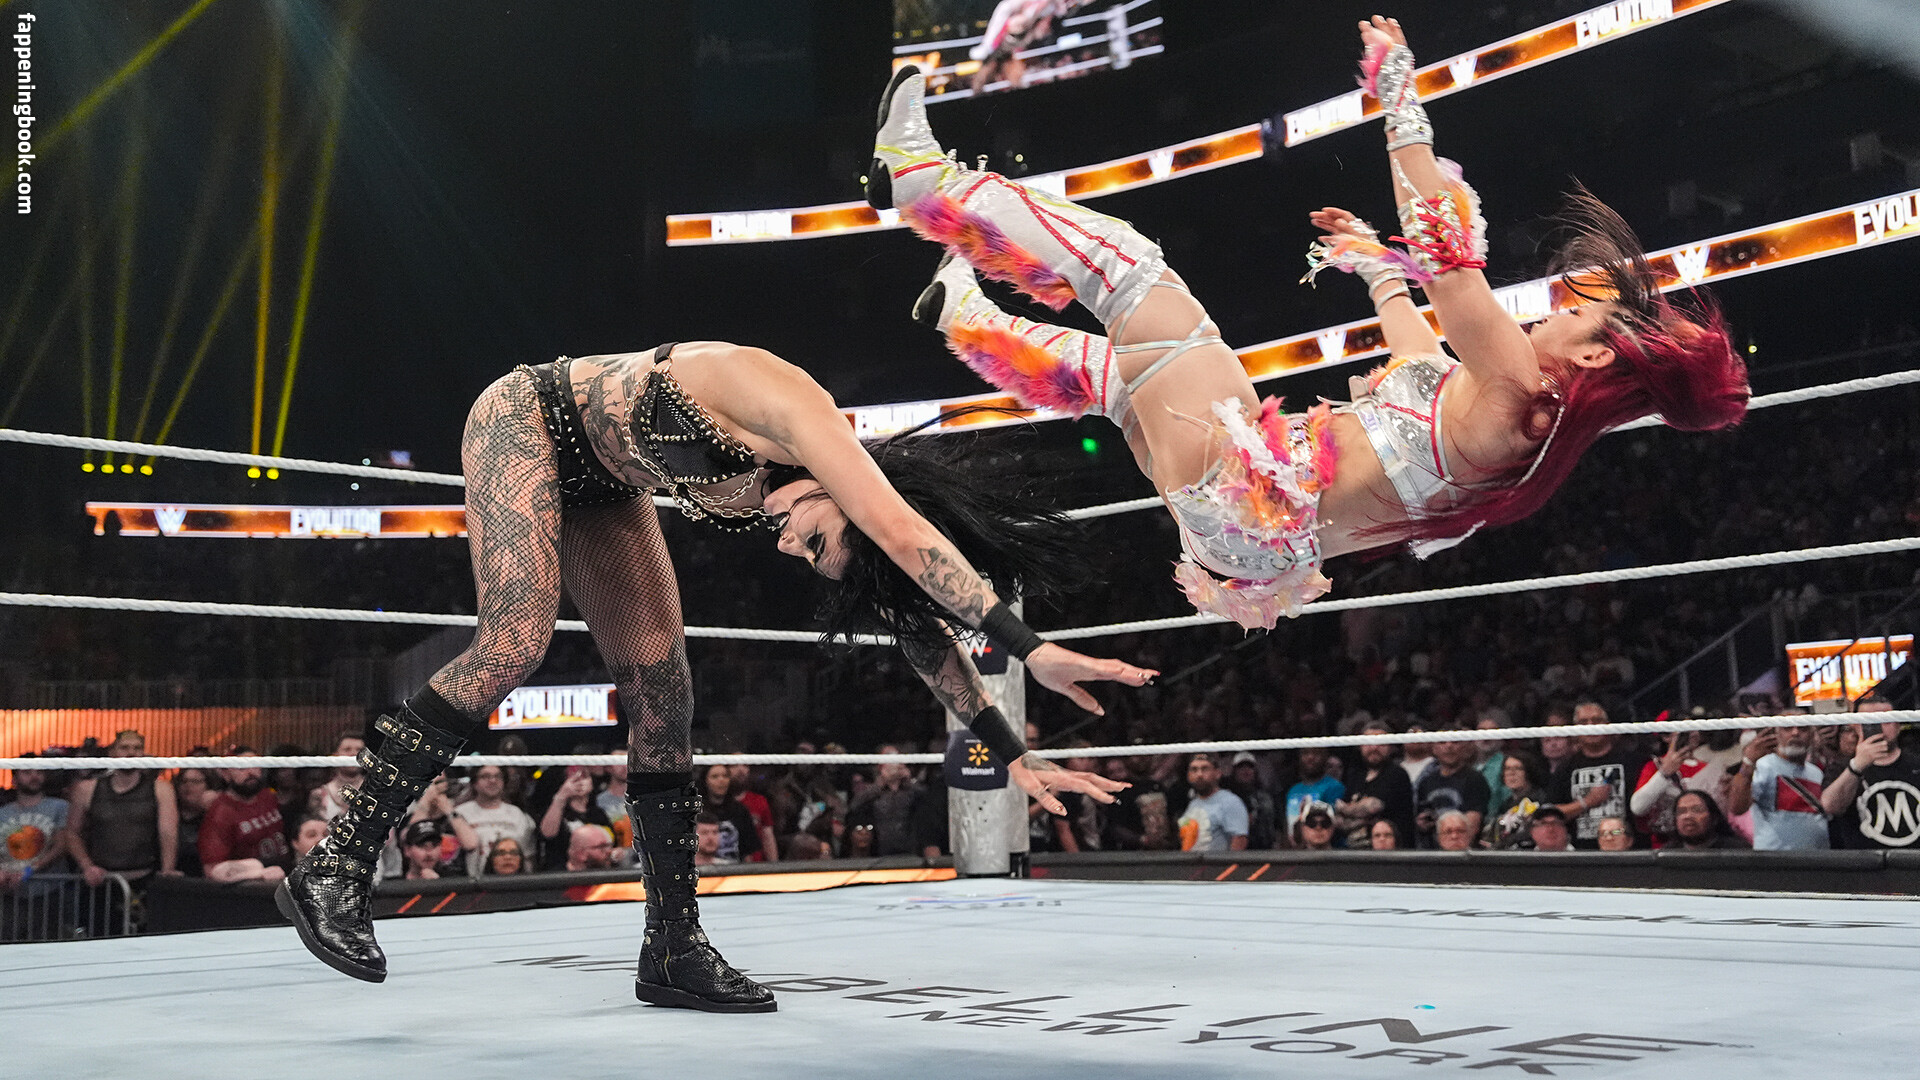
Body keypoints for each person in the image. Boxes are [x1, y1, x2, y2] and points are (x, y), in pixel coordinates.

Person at [278, 337, 1154, 1008]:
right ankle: (336, 867)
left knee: (666, 695)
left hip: (605, 484)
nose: (790, 548)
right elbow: (902, 534)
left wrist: (1009, 747)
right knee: (515, 640)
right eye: (818, 540)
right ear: (852, 502)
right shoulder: (800, 413)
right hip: (525, 419)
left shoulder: (816, 490)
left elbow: (918, 630)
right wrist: (1031, 648)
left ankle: (673, 947)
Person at [870, 17, 1744, 631]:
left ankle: (921, 180)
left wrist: (1399, 96)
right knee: (1127, 378)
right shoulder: (1517, 430)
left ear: (1593, 355)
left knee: (1133, 276)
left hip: (1245, 495)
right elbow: (1419, 356)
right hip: (1246, 543)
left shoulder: (1519, 387)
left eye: (1579, 313)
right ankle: (966, 317)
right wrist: (1377, 270)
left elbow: (1447, 254)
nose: (1559, 307)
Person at [65, 729, 180, 890]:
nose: (131, 753)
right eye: (124, 748)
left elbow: (168, 832)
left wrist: (168, 869)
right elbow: (72, 833)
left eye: (137, 748)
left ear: (143, 754)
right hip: (100, 880)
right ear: (112, 753)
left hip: (144, 878)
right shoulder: (86, 789)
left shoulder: (161, 789)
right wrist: (87, 866)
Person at [1546, 699, 1651, 849]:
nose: (1591, 726)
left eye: (1597, 720)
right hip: (1583, 852)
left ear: (1608, 725)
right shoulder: (1565, 769)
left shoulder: (1634, 762)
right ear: (1575, 729)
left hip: (1628, 849)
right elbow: (1552, 815)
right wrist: (1587, 802)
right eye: (1583, 722)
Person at [1820, 698, 1920, 849]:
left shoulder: (1916, 763)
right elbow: (1830, 806)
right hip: (1865, 860)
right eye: (1869, 721)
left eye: (1885, 720)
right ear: (1855, 726)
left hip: (1913, 858)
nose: (1878, 727)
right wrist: (1857, 766)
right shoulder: (1842, 767)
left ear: (1898, 725)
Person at [1729, 727, 1829, 851]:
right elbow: (1737, 808)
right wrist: (1748, 763)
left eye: (1803, 729)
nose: (1795, 733)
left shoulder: (1816, 773)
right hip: (1774, 857)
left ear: (1812, 735)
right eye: (1787, 728)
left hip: (1816, 856)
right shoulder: (1764, 765)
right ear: (1776, 734)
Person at [200, 748, 290, 883]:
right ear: (226, 774)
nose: (250, 772)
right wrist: (258, 874)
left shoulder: (268, 796)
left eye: (255, 765)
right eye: (241, 767)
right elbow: (212, 869)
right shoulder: (220, 813)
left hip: (284, 875)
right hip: (252, 885)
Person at [1335, 721, 1417, 849]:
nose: (1374, 748)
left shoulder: (1397, 774)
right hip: (1356, 850)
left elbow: (1372, 808)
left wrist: (1347, 810)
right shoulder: (1355, 775)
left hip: (1391, 851)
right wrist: (1359, 813)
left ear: (1390, 746)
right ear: (1360, 746)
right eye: (1368, 742)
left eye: (1380, 743)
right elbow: (1340, 820)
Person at [1414, 725, 1490, 847]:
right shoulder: (1426, 782)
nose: (1449, 746)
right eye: (1442, 742)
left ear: (1463, 746)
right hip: (1432, 850)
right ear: (1434, 748)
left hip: (1464, 851)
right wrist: (1422, 823)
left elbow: (1473, 823)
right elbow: (1421, 817)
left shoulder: (1474, 779)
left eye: (1455, 742)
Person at [1176, 755, 1249, 853]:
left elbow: (1240, 839)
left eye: (1205, 769)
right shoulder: (1193, 803)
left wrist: (1228, 862)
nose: (1199, 774)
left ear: (1217, 773)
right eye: (1194, 770)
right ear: (1189, 775)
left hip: (1216, 862)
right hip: (1190, 861)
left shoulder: (1230, 802)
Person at [1284, 747, 1345, 837]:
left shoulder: (1334, 787)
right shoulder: (1293, 790)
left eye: (1316, 753)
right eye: (1305, 753)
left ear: (1325, 757)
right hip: (1296, 843)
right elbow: (1288, 824)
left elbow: (1334, 823)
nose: (1310, 757)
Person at [726, 763, 779, 864]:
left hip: (756, 864)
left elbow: (767, 837)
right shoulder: (718, 803)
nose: (741, 770)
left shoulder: (759, 801)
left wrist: (774, 866)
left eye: (745, 765)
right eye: (734, 765)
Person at [311, 730, 366, 823]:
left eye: (359, 750)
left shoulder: (378, 791)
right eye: (347, 749)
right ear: (335, 755)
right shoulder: (319, 795)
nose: (354, 754)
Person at [1670, 790, 1748, 851]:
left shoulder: (1737, 851)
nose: (1688, 816)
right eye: (1681, 811)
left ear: (1714, 818)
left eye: (1697, 810)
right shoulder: (1668, 852)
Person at [173, 767, 211, 877]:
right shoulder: (169, 815)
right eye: (184, 781)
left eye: (195, 782)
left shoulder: (215, 815)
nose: (188, 786)